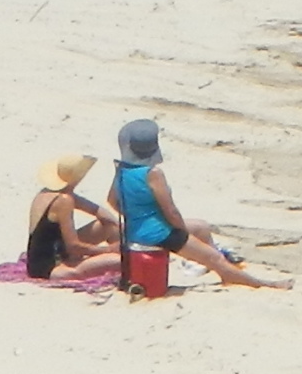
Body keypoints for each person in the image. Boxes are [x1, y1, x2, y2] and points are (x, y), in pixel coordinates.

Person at [109, 117, 288, 288]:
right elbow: (171, 211)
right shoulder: (153, 174)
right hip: (158, 234)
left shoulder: (122, 170)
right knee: (214, 258)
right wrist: (181, 230)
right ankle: (258, 282)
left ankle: (211, 261)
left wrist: (137, 217)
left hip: (135, 229)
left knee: (201, 227)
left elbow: (112, 201)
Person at [21, 154, 120, 282]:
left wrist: (114, 227)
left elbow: (99, 212)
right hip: (49, 266)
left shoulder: (48, 193)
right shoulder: (63, 201)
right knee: (120, 261)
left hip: (51, 252)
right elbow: (73, 246)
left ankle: (117, 251)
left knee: (109, 227)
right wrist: (106, 250)